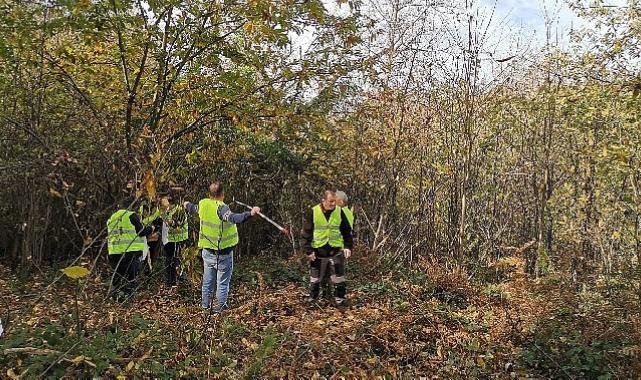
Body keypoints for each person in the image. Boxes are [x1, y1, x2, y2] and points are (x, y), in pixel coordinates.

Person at [184, 182, 260, 314]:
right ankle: (219, 311)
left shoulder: (203, 204)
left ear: (209, 194)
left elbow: (192, 208)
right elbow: (234, 218)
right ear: (222, 195)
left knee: (207, 282)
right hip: (223, 255)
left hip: (207, 253)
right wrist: (251, 213)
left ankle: (205, 309)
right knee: (222, 284)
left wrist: (185, 204)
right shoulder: (222, 209)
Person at [301, 190, 353, 306]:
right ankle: (313, 300)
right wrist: (308, 251)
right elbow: (306, 233)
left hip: (335, 250)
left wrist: (348, 247)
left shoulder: (339, 212)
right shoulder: (314, 212)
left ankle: (340, 300)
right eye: (331, 201)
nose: (333, 204)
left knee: (339, 278)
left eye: (334, 201)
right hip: (318, 251)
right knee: (315, 279)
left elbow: (346, 231)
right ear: (323, 201)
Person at [107, 198, 156, 301]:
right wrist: (152, 228)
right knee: (131, 277)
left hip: (114, 253)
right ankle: (128, 299)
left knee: (118, 277)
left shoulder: (112, 217)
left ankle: (116, 297)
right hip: (130, 252)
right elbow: (141, 231)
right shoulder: (131, 215)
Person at [160, 195, 189, 286]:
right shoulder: (168, 211)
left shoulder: (179, 211)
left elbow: (176, 225)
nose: (161, 201)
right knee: (169, 261)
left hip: (179, 240)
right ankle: (170, 282)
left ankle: (182, 282)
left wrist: (166, 219)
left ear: (169, 201)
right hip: (170, 240)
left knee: (178, 261)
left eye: (163, 200)